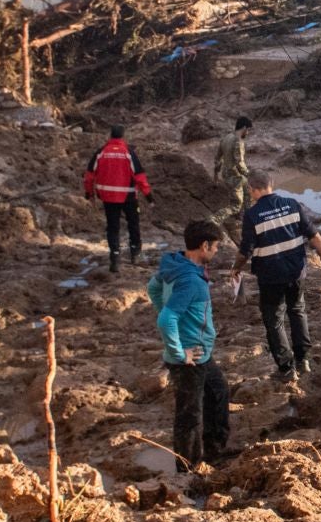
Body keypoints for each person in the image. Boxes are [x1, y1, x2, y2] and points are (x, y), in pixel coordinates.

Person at [232, 168, 321, 383]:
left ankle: (286, 368)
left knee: (274, 320)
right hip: (296, 272)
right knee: (297, 311)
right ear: (271, 185)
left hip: (270, 276)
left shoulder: (252, 215)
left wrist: (236, 268)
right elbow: (315, 236)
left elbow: (246, 249)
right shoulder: (292, 205)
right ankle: (304, 361)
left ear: (252, 190)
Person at [148, 219, 229, 467]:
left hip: (201, 352)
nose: (216, 252)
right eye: (215, 248)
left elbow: (153, 288)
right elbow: (166, 319)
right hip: (189, 358)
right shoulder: (191, 281)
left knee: (218, 392)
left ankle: (214, 451)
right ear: (204, 246)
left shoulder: (175, 264)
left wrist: (173, 313)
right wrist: (179, 351)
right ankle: (188, 470)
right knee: (189, 416)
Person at [84, 124, 152, 273]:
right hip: (128, 196)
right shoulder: (128, 152)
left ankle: (115, 257)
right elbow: (139, 176)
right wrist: (148, 195)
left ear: (110, 136)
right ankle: (136, 254)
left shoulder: (101, 152)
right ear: (122, 136)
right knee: (133, 224)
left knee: (112, 227)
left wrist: (89, 193)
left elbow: (89, 176)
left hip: (108, 197)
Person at [215, 116, 252, 220]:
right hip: (234, 177)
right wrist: (249, 174)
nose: (248, 133)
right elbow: (239, 162)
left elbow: (217, 158)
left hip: (226, 174)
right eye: (248, 130)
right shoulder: (238, 141)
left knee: (248, 190)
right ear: (244, 128)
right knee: (236, 206)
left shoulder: (226, 138)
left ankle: (247, 216)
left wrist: (216, 176)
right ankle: (215, 219)